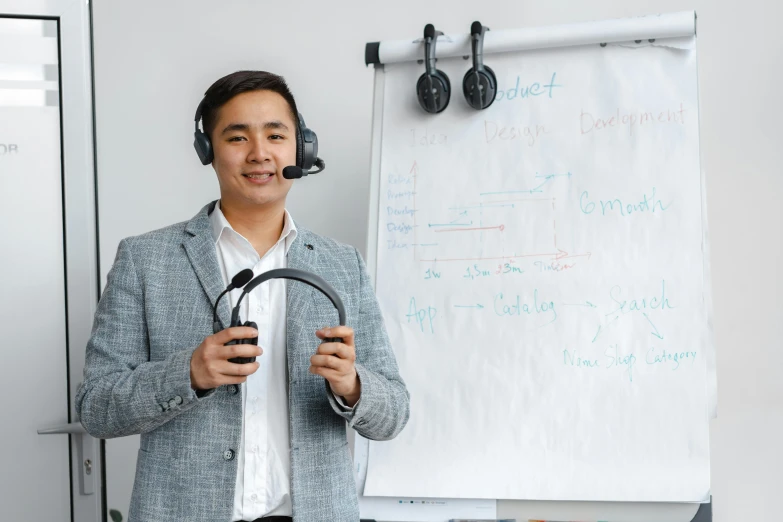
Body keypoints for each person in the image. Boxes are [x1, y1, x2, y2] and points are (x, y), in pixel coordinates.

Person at [75, 70, 410, 522]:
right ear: (208, 151)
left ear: (301, 148)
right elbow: (97, 407)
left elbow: (393, 414)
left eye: (276, 134)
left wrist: (351, 385)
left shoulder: (340, 264)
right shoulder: (144, 259)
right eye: (237, 138)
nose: (259, 153)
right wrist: (187, 374)